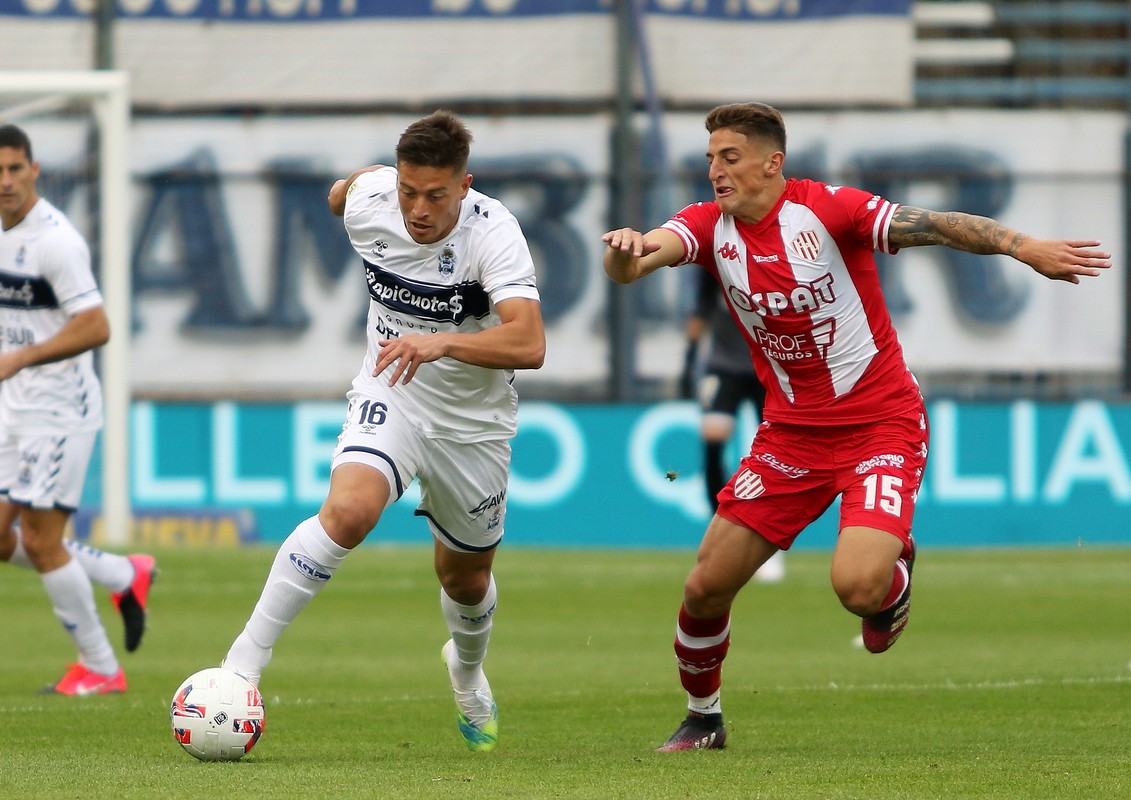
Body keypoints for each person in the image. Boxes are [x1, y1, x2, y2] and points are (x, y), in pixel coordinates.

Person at [602, 102, 1110, 751]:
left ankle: (893, 578)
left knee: (858, 587)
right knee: (704, 587)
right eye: (709, 159)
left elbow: (939, 224)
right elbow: (637, 264)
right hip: (790, 437)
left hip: (880, 424)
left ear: (771, 162)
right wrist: (623, 252)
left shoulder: (830, 210)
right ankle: (704, 719)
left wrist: (1023, 246)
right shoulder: (707, 226)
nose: (715, 172)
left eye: (729, 158)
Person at [222, 110, 545, 753]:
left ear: (465, 186)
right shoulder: (371, 200)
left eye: (435, 195)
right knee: (348, 511)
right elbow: (341, 194)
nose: (418, 209)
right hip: (391, 392)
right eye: (407, 190)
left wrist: (442, 342)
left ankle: (467, 669)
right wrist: (364, 180)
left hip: (474, 426)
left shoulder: (494, 232)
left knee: (465, 580)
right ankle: (240, 669)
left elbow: (530, 342)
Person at [0, 123, 156, 695]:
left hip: (58, 411)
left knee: (43, 541)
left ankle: (101, 667)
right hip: (13, 408)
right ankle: (121, 572)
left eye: (15, 168)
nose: (6, 181)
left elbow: (96, 325)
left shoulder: (56, 242)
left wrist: (22, 358)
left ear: (35, 170)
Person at [681, 269, 784, 584]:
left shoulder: (775, 265)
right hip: (724, 367)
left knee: (777, 455)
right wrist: (689, 358)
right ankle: (723, 531)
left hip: (767, 367)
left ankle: (769, 540)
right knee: (713, 444)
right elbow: (702, 306)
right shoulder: (717, 259)